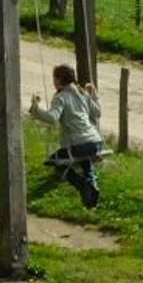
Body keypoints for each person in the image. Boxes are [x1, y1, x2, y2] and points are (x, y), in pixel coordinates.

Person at [28, 62, 104, 208]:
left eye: (54, 78)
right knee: (85, 159)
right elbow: (97, 112)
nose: (53, 82)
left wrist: (35, 109)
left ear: (58, 79)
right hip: (95, 143)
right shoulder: (82, 93)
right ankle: (91, 186)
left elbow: (52, 118)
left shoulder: (61, 97)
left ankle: (82, 185)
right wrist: (94, 95)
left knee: (55, 161)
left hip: (78, 144)